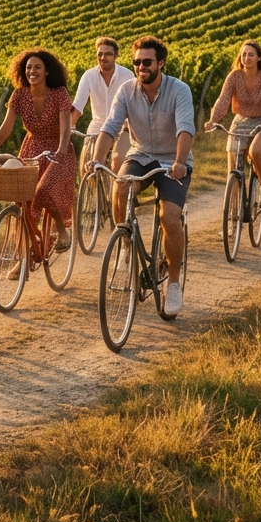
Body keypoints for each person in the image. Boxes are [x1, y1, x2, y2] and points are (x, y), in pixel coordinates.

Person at [87, 36, 193, 316]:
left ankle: (173, 283)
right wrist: (97, 160)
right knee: (120, 188)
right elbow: (110, 126)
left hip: (173, 160)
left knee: (169, 216)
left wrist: (180, 162)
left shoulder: (179, 90)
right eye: (136, 62)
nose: (141, 67)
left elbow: (185, 128)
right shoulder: (126, 90)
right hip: (141, 155)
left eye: (147, 62)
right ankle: (125, 242)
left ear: (161, 63)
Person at [0, 49, 76, 257]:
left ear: (47, 71)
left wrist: (61, 150)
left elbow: (65, 127)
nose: (32, 71)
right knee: (23, 200)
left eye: (37, 67)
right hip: (31, 148)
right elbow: (7, 125)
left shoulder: (59, 93)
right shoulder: (20, 94)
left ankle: (61, 230)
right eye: (28, 67)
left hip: (58, 151)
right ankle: (24, 258)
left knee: (44, 190)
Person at [204, 40, 261, 206]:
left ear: (259, 58)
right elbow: (223, 99)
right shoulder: (234, 76)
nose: (246, 58)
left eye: (251, 55)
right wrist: (213, 120)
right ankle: (233, 213)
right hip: (240, 121)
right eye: (244, 54)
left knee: (255, 151)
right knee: (232, 169)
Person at [71, 37, 134, 175]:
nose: (103, 58)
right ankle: (90, 189)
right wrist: (68, 127)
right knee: (85, 166)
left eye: (108, 54)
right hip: (97, 125)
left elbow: (133, 105)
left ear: (116, 55)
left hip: (122, 127)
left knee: (118, 160)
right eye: (100, 54)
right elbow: (78, 105)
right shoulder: (89, 76)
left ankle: (117, 188)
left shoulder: (127, 75)